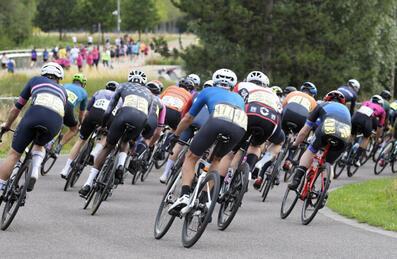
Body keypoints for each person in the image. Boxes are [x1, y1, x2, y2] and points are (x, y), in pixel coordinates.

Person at [167, 68, 247, 215]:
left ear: (214, 81)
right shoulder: (239, 98)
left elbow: (188, 118)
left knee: (191, 158)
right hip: (240, 125)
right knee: (216, 160)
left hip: (218, 119)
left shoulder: (207, 91)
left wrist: (176, 135)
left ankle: (184, 196)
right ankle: (204, 202)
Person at [79, 70, 154, 196]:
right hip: (140, 119)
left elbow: (110, 109)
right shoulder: (149, 94)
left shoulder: (123, 86)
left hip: (124, 114)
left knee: (108, 146)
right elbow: (150, 116)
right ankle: (120, 165)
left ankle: (88, 184)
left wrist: (103, 125)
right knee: (125, 141)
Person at [0, 62, 66, 192]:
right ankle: (35, 170)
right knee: (39, 145)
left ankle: (1, 186)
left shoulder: (35, 80)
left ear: (43, 73)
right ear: (59, 78)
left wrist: (7, 125)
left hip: (35, 114)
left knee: (14, 154)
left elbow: (16, 108)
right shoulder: (63, 91)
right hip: (55, 122)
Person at [288, 90, 351, 191]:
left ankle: (297, 179)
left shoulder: (322, 105)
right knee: (329, 163)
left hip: (326, 129)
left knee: (311, 151)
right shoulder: (346, 110)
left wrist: (295, 144)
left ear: (326, 98)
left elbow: (305, 130)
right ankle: (324, 191)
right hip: (344, 135)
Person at [60, 81, 119, 179]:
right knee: (106, 136)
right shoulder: (118, 97)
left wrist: (83, 124)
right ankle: (95, 152)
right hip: (107, 117)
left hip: (92, 115)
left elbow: (87, 111)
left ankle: (66, 169)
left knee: (81, 141)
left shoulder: (99, 92)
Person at [231, 79, 284, 188]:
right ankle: (256, 166)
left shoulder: (243, 85)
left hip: (249, 112)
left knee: (231, 152)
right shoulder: (273, 94)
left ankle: (221, 183)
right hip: (271, 119)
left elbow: (233, 102)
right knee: (258, 145)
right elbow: (280, 114)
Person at [282, 82, 318, 170]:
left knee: (281, 133)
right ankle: (289, 160)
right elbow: (312, 120)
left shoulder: (292, 94)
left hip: (287, 114)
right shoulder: (313, 101)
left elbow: (282, 107)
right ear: (313, 94)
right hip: (301, 118)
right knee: (298, 135)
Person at [56, 73, 89, 154]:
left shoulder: (65, 85)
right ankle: (59, 145)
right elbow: (81, 113)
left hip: (56, 103)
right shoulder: (84, 92)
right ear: (83, 83)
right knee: (74, 129)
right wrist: (81, 123)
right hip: (68, 107)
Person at [350, 95, 386, 166]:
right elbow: (379, 127)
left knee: (352, 134)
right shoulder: (382, 110)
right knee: (366, 137)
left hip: (356, 116)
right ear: (381, 104)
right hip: (367, 119)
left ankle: (345, 153)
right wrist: (377, 138)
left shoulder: (366, 102)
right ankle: (357, 159)